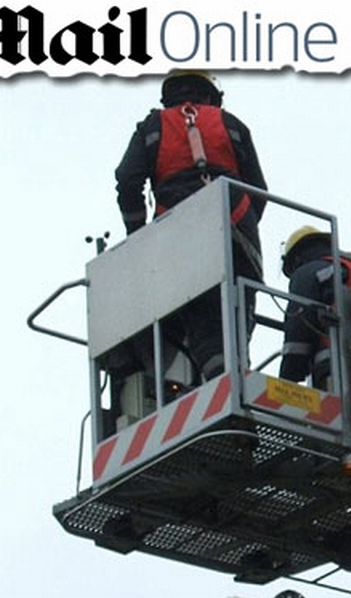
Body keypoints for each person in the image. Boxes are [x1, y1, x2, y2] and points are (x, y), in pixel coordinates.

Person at [115, 71, 267, 381]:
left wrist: (137, 234)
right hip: (237, 221)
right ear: (211, 93)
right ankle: (235, 375)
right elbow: (259, 188)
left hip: (177, 230)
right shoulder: (232, 124)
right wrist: (242, 225)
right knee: (237, 312)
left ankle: (213, 381)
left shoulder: (152, 127)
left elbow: (127, 179)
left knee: (199, 313)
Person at [279, 226, 351, 387]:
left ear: (296, 258)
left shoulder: (307, 272)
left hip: (335, 366)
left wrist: (288, 379)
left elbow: (299, 324)